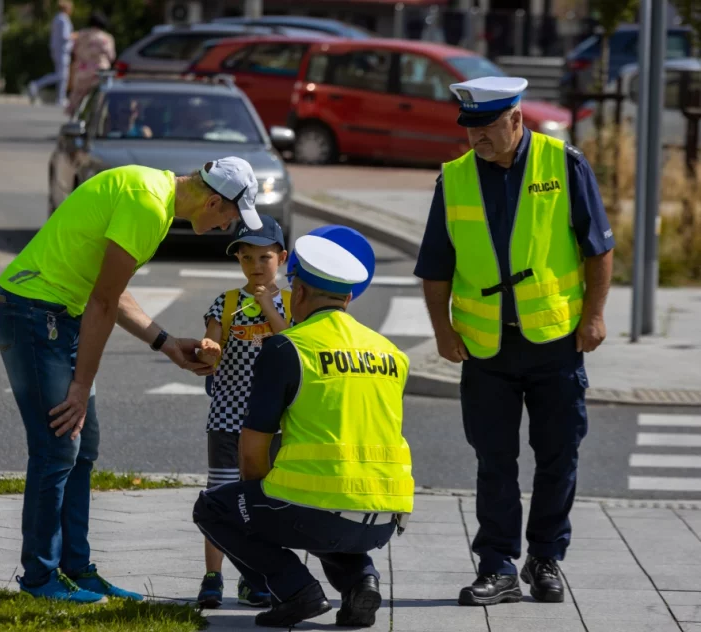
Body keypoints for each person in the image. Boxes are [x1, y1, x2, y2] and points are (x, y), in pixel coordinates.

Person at [0, 157, 264, 604]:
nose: (226, 229)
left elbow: (109, 289)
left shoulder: (151, 192)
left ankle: (76, 568)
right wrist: (80, 387)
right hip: (34, 313)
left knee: (83, 446)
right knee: (58, 444)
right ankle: (40, 578)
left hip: (54, 313)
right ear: (214, 200)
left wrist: (165, 342)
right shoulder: (147, 206)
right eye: (230, 217)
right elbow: (101, 301)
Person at [413, 76, 614, 606]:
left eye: (486, 129)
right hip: (484, 347)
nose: (476, 140)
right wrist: (442, 329)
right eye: (470, 130)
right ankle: (497, 565)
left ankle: (545, 559)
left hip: (555, 341)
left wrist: (594, 316)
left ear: (516, 120)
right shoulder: (454, 179)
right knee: (494, 461)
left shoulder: (563, 163)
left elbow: (598, 247)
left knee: (558, 456)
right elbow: (435, 266)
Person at [193, 234, 415, 629]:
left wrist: (256, 508)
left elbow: (251, 451)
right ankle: (360, 581)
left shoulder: (288, 347)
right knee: (321, 507)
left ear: (300, 292)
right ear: (347, 299)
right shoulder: (390, 352)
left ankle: (296, 591)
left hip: (317, 510)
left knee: (215, 508)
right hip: (384, 519)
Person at [193, 216, 291, 610]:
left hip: (273, 424)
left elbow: (293, 343)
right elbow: (211, 345)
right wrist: (208, 352)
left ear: (281, 258)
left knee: (265, 500)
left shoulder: (290, 302)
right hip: (228, 420)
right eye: (246, 257)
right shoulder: (227, 302)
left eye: (264, 257)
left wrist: (268, 306)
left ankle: (258, 577)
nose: (254, 265)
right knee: (220, 497)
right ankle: (212, 576)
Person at [65, 10, 114, 118]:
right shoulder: (106, 38)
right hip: (100, 72)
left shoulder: (81, 35)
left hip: (82, 71)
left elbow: (73, 51)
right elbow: (111, 56)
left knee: (77, 96)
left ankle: (73, 119)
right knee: (99, 99)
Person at [28, 0, 75, 107]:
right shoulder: (63, 19)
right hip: (62, 51)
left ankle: (60, 98)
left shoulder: (58, 18)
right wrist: (76, 36)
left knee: (63, 76)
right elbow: (65, 36)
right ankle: (36, 85)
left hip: (59, 50)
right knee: (61, 75)